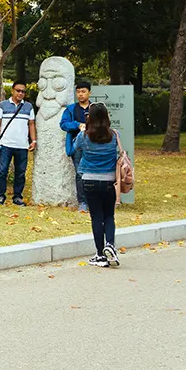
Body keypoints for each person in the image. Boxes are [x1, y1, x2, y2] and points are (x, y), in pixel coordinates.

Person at [73, 103, 121, 268]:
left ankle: (100, 254)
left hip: (89, 179)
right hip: (109, 180)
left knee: (96, 217)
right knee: (109, 216)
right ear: (107, 117)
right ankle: (110, 245)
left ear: (90, 117)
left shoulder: (84, 136)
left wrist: (82, 129)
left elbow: (75, 148)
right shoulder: (115, 135)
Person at [0, 81, 37, 206]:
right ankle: (0, 196)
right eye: (18, 90)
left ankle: (17, 197)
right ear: (12, 90)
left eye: (23, 91)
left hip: (22, 145)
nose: (20, 93)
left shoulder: (28, 107)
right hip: (5, 144)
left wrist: (33, 140)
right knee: (2, 171)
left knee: (20, 173)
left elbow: (31, 124)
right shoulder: (2, 105)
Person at [60, 80, 93, 212]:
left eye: (83, 91)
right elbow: (63, 124)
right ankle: (83, 202)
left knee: (95, 173)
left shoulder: (95, 108)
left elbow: (104, 123)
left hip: (94, 146)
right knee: (80, 173)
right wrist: (77, 125)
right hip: (77, 146)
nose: (80, 94)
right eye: (78, 92)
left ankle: (94, 201)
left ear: (89, 93)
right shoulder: (71, 109)